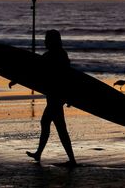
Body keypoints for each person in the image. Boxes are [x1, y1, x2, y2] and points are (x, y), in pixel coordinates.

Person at [25, 29, 77, 166]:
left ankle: (72, 160)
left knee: (60, 128)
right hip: (57, 96)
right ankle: (38, 153)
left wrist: (69, 96)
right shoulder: (60, 54)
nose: (45, 41)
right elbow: (34, 70)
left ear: (52, 41)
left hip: (56, 97)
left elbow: (34, 70)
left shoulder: (52, 56)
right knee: (47, 123)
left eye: (47, 39)